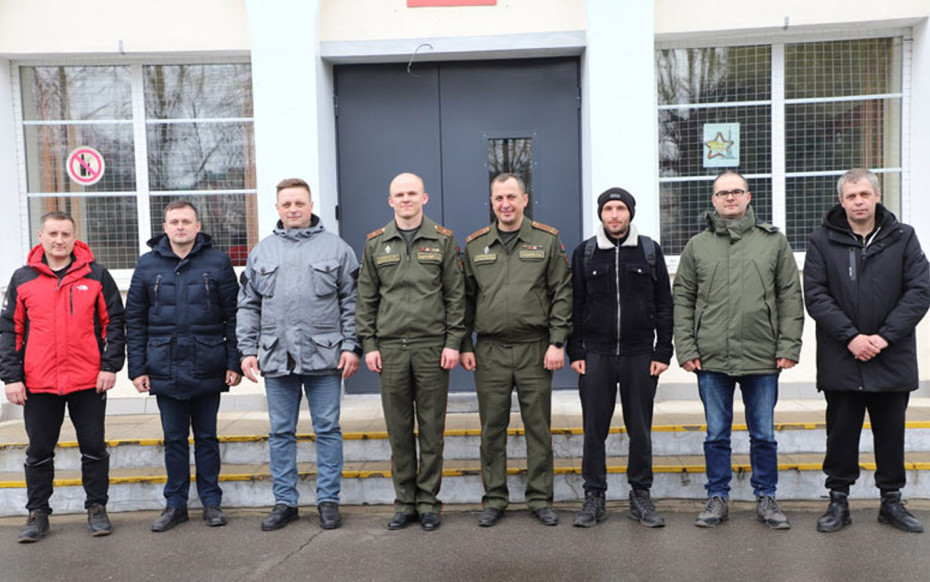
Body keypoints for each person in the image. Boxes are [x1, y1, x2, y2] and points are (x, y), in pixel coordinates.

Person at [673, 171, 803, 529]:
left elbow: (790, 296)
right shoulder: (697, 246)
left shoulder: (773, 242)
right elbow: (682, 299)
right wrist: (686, 347)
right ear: (713, 200)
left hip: (763, 356)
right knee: (716, 434)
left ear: (748, 197)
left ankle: (766, 497)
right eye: (722, 193)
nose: (729, 197)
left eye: (736, 191)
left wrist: (789, 345)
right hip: (711, 357)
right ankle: (717, 497)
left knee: (764, 434)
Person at [804, 168, 930, 534]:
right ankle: (838, 501)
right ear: (841, 201)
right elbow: (816, 294)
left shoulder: (904, 237)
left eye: (864, 194)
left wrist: (884, 337)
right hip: (842, 358)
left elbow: (919, 291)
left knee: (891, 434)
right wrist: (852, 338)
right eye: (851, 196)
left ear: (877, 195)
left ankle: (891, 501)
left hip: (892, 357)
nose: (858, 201)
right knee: (841, 435)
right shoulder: (821, 240)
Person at [238, 178, 361, 532]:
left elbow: (353, 303)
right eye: (287, 204)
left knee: (328, 430)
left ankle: (328, 501)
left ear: (311, 206)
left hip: (325, 358)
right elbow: (248, 305)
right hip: (276, 357)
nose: (293, 209)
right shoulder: (262, 252)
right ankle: (285, 502)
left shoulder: (337, 249)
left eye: (299, 203)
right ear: (277, 208)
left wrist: (351, 346)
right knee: (280, 432)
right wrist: (247, 350)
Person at [0, 211, 125, 542]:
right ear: (40, 236)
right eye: (53, 234)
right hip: (38, 382)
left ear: (74, 237)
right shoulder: (22, 278)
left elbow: (114, 323)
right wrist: (11, 377)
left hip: (88, 380)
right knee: (39, 452)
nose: (59, 240)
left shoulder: (96, 275)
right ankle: (37, 514)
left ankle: (97, 508)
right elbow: (9, 330)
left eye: (65, 234)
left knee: (94, 449)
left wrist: (109, 366)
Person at [461, 173, 572, 527]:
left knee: (537, 428)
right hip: (490, 350)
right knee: (492, 429)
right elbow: (465, 299)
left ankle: (540, 498)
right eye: (499, 198)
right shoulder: (476, 245)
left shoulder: (546, 240)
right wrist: (464, 344)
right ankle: (494, 498)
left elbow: (562, 293)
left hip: (534, 349)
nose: (505, 204)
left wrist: (557, 342)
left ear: (525, 200)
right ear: (492, 202)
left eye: (511, 197)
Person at [356, 172, 465, 532]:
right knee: (399, 431)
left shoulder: (443, 240)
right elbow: (366, 299)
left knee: (432, 430)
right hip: (390, 350)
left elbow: (455, 296)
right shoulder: (376, 243)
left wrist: (453, 342)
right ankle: (405, 502)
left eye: (412, 193)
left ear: (424, 198)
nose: (406, 199)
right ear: (391, 201)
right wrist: (369, 345)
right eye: (399, 194)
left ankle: (429, 502)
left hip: (432, 349)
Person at [126, 201, 242, 532]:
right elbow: (134, 320)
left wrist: (233, 361)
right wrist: (138, 369)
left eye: (186, 221)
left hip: (208, 363)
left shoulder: (218, 262)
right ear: (165, 227)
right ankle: (175, 505)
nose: (180, 227)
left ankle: (211, 503)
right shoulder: (147, 264)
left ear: (197, 226)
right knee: (174, 439)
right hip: (164, 366)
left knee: (207, 438)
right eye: (174, 222)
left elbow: (234, 316)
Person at [567, 187, 673, 528]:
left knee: (640, 430)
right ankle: (594, 496)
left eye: (620, 209)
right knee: (593, 430)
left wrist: (663, 350)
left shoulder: (649, 251)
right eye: (608, 209)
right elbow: (575, 305)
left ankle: (640, 495)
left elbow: (664, 304)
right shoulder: (585, 253)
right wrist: (576, 350)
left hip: (640, 354)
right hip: (595, 354)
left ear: (630, 213)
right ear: (601, 214)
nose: (614, 215)